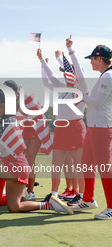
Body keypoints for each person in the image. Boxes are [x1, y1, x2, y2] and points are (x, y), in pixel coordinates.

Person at [0, 92, 73, 216]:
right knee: (14, 207)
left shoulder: (6, 121)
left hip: (15, 164)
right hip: (16, 164)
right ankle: (49, 205)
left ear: (3, 104)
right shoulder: (4, 120)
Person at [37, 38, 87, 204]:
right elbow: (47, 79)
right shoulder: (61, 87)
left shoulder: (81, 88)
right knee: (56, 163)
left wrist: (70, 50)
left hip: (75, 127)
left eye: (68, 72)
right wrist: (42, 61)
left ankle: (82, 196)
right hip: (61, 128)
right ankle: (54, 195)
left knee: (78, 164)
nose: (66, 75)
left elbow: (78, 70)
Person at [71, 44, 112, 220]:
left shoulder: (108, 76)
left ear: (99, 59)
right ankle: (88, 199)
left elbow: (95, 103)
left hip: (102, 128)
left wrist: (79, 93)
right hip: (94, 127)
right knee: (86, 161)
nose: (90, 62)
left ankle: (111, 207)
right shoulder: (105, 75)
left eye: (92, 59)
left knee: (104, 167)